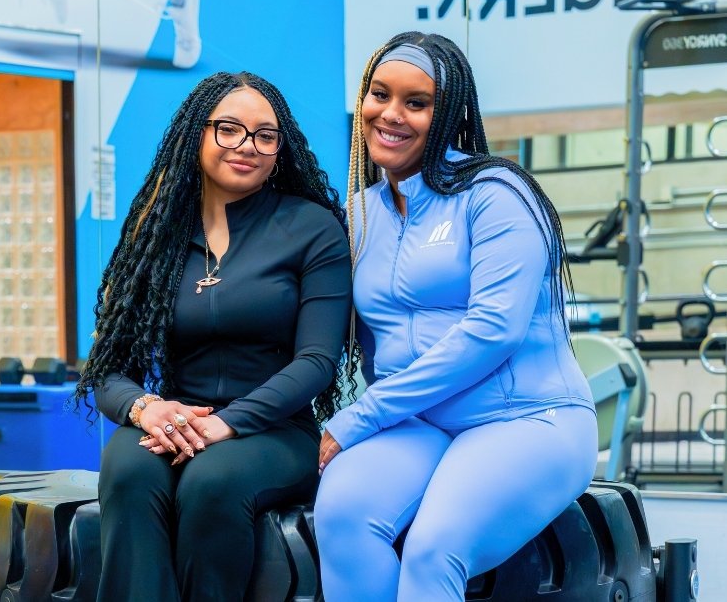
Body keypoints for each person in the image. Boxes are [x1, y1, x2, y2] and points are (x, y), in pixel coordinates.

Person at [313, 31, 598, 601]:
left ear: (449, 116)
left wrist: (358, 418)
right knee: (343, 515)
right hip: (420, 425)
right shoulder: (361, 211)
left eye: (416, 103)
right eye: (379, 95)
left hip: (526, 419)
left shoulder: (497, 192)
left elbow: (493, 331)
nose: (391, 115)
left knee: (434, 546)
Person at [75, 71, 352, 602]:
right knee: (128, 466)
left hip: (275, 429)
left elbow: (317, 361)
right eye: (229, 129)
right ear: (195, 134)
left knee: (212, 480)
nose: (247, 146)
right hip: (175, 419)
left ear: (280, 147)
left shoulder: (313, 227)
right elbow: (109, 365)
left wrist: (227, 424)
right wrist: (145, 409)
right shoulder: (158, 233)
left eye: (264, 135)